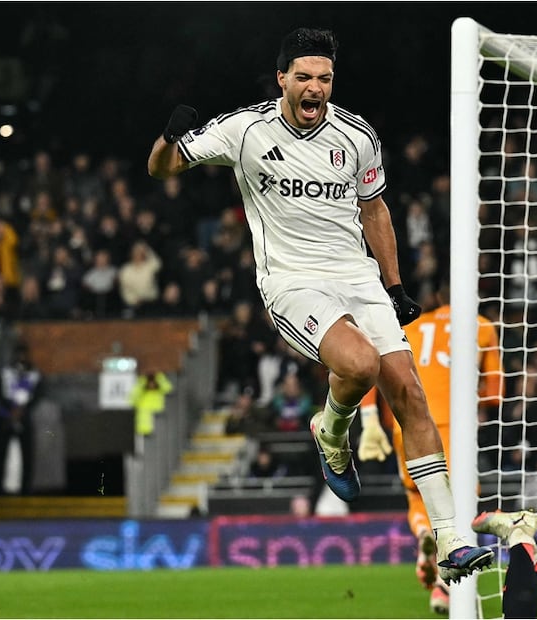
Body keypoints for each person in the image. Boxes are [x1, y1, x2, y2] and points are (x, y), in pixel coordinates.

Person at [147, 27, 492, 582]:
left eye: (324, 79)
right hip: (292, 282)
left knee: (409, 392)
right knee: (359, 364)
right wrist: (169, 137)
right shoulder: (244, 130)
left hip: (358, 276)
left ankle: (451, 536)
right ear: (282, 78)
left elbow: (375, 211)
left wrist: (395, 285)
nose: (315, 88)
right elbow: (162, 170)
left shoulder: (357, 136)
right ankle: (331, 429)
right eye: (304, 77)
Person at [357, 283, 504, 613]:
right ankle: (444, 585)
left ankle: (423, 533)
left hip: (406, 422)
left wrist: (370, 419)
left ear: (438, 299)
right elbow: (495, 395)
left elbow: (374, 364)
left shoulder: (413, 325)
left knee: (416, 494)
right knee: (459, 504)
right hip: (454, 427)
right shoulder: (482, 326)